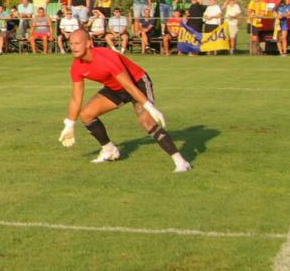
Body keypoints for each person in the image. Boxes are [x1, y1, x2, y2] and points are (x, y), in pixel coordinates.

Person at [58, 28, 191, 172]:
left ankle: (181, 162)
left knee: (146, 121)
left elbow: (129, 85)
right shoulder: (77, 66)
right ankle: (109, 150)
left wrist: (149, 107)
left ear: (89, 43)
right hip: (115, 88)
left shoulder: (106, 57)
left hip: (137, 83)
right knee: (86, 114)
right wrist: (69, 125)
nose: (73, 47)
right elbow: (76, 98)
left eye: (77, 43)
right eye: (71, 43)